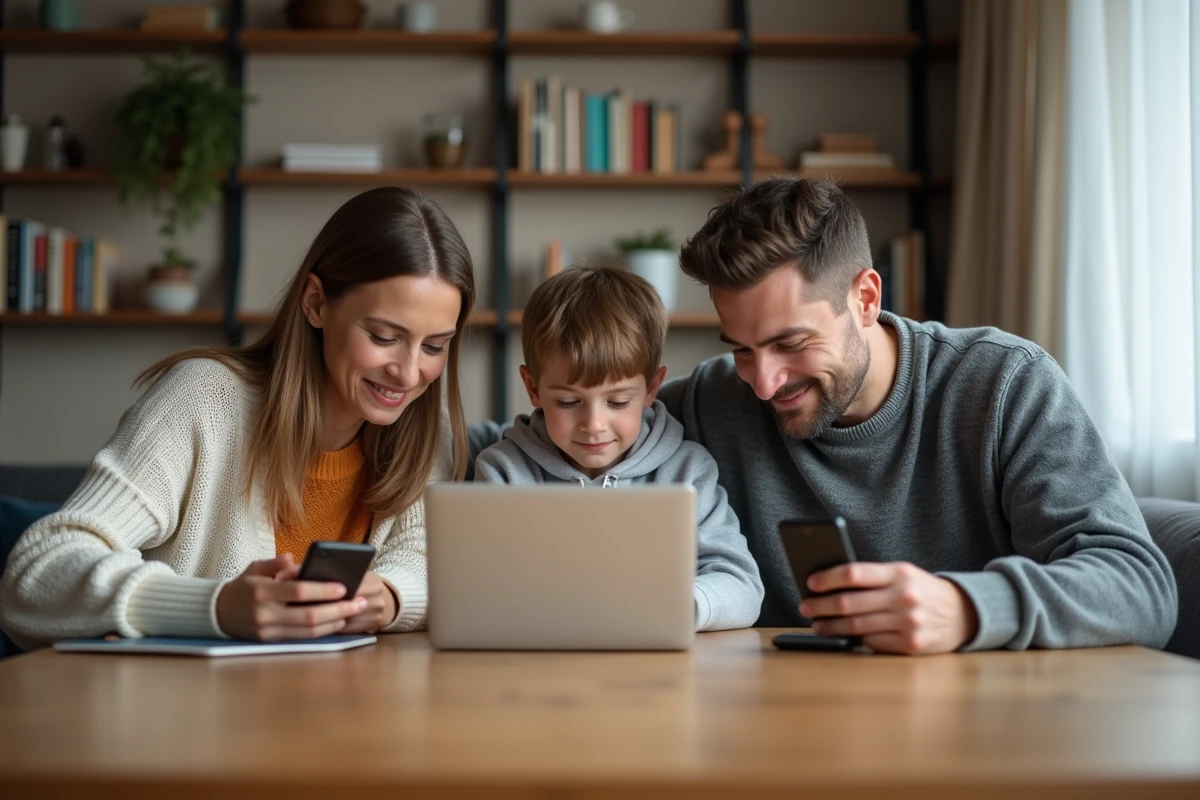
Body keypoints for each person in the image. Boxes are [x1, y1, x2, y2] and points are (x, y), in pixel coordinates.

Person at [656, 176, 1178, 654]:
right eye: (743, 350)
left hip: (976, 727)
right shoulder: (711, 400)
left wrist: (968, 608)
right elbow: (588, 425)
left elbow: (1140, 590)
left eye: (791, 342)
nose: (764, 382)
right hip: (773, 726)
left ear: (865, 297)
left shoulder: (1003, 386)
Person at [0, 186, 475, 649]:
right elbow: (35, 576)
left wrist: (391, 596)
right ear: (315, 303)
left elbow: (430, 564)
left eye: (435, 346)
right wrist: (217, 606)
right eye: (383, 336)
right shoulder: (203, 400)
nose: (410, 374)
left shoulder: (419, 434)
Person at [474, 267, 764, 631]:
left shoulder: (687, 472)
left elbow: (742, 586)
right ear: (533, 388)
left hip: (658, 671)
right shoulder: (503, 472)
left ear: (651, 388)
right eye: (567, 402)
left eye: (617, 402)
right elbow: (478, 588)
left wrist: (679, 605)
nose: (594, 424)